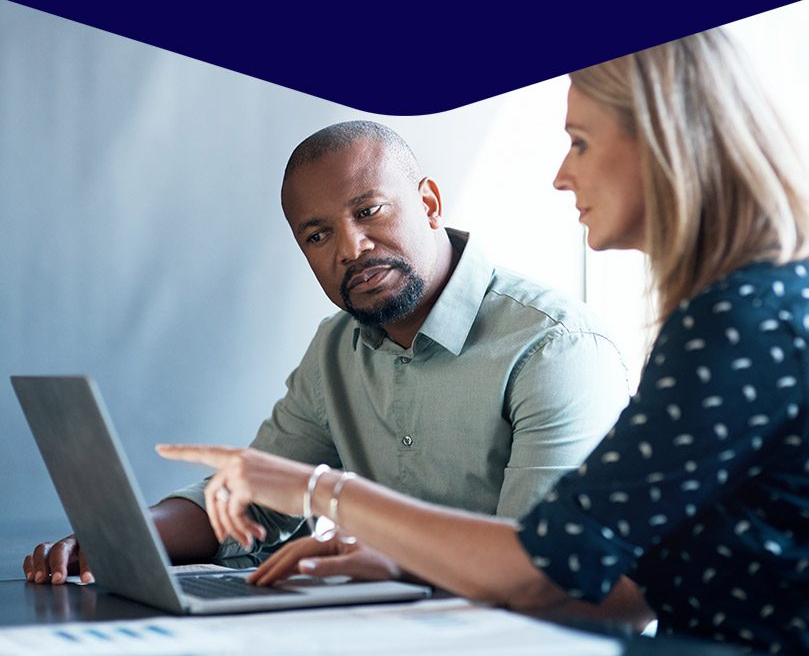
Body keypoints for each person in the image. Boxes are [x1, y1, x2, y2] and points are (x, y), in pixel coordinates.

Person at [158, 27, 809, 653]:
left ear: (668, 139)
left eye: (578, 141)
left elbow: (544, 568)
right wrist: (395, 562)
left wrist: (318, 491)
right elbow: (621, 580)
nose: (560, 174)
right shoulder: (748, 309)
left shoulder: (728, 323)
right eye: (318, 234)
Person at [24, 121, 629, 585]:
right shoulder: (336, 347)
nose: (351, 247)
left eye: (368, 211)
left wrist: (392, 561)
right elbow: (256, 498)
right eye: (318, 235)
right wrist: (125, 537)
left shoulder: (557, 350)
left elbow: (543, 571)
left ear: (430, 203)